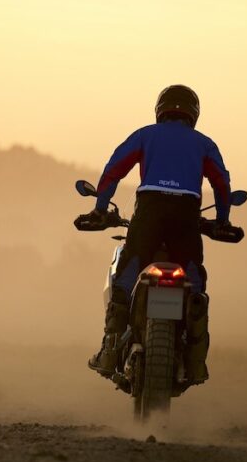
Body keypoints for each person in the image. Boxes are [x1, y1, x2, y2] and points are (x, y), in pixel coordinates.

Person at [79, 84, 232, 385]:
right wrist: (223, 220)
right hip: (187, 217)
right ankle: (196, 360)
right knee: (195, 284)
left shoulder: (145, 135)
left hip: (149, 212)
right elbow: (222, 184)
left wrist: (99, 209)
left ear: (160, 110)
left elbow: (114, 170)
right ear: (194, 114)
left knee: (127, 275)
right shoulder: (204, 143)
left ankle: (109, 350)